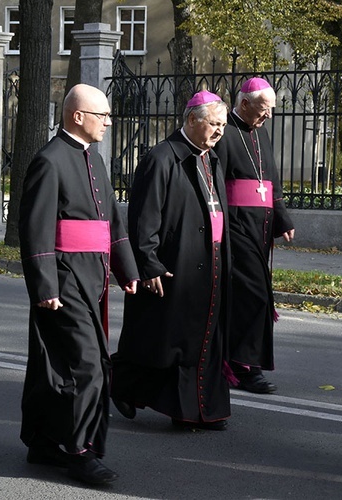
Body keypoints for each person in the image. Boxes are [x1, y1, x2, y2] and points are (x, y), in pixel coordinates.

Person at [18, 83, 139, 486]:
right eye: (102, 114)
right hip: (65, 279)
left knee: (55, 364)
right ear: (77, 117)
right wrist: (45, 285)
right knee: (88, 365)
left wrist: (128, 269)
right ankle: (80, 450)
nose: (108, 120)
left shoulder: (95, 160)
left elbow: (112, 223)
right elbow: (35, 230)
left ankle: (44, 440)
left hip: (94, 276)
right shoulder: (50, 161)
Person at [110, 90, 232, 431]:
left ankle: (202, 409)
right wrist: (147, 263)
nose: (220, 131)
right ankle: (125, 383)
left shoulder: (212, 159)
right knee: (166, 339)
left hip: (211, 262)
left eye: (223, 125)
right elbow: (143, 219)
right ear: (192, 120)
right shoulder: (161, 158)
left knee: (203, 334)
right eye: (214, 123)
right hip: (172, 263)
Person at [214, 77, 295, 394]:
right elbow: (216, 183)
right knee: (255, 295)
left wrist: (282, 218)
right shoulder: (225, 132)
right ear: (244, 104)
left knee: (252, 296)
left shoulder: (261, 134)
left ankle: (239, 362)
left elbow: (271, 181)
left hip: (260, 228)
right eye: (264, 110)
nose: (268, 116)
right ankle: (245, 368)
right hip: (235, 227)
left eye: (271, 110)